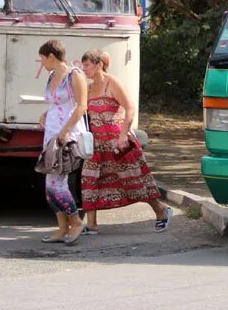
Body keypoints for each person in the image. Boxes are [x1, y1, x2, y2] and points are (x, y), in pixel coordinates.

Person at [79, 49, 173, 233]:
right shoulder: (88, 88)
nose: (84, 69)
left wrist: (123, 135)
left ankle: (161, 210)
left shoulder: (112, 83)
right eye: (83, 65)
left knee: (134, 180)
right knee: (90, 180)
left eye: (87, 65)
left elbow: (130, 107)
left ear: (99, 64)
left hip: (118, 144)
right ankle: (91, 224)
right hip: (98, 145)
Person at [37, 39, 89, 244]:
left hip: (66, 136)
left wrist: (65, 131)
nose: (42, 63)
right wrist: (44, 114)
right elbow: (57, 103)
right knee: (51, 183)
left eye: (42, 59)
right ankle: (61, 228)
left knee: (57, 183)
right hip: (51, 133)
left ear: (52, 56)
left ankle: (75, 220)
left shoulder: (74, 75)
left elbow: (81, 106)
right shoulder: (51, 75)